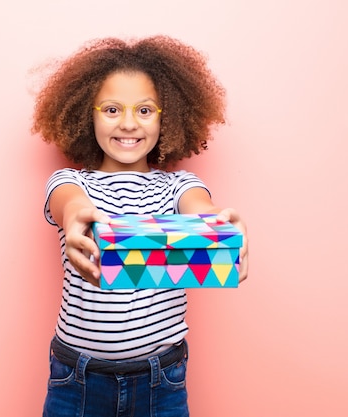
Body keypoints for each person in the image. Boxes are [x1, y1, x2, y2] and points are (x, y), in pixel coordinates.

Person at [31, 35, 249, 417]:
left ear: (169, 115)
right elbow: (67, 202)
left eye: (145, 110)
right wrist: (77, 212)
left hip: (161, 380)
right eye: (112, 109)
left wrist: (219, 228)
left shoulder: (179, 186)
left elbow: (201, 208)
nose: (129, 123)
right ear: (88, 113)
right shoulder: (71, 183)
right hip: (77, 378)